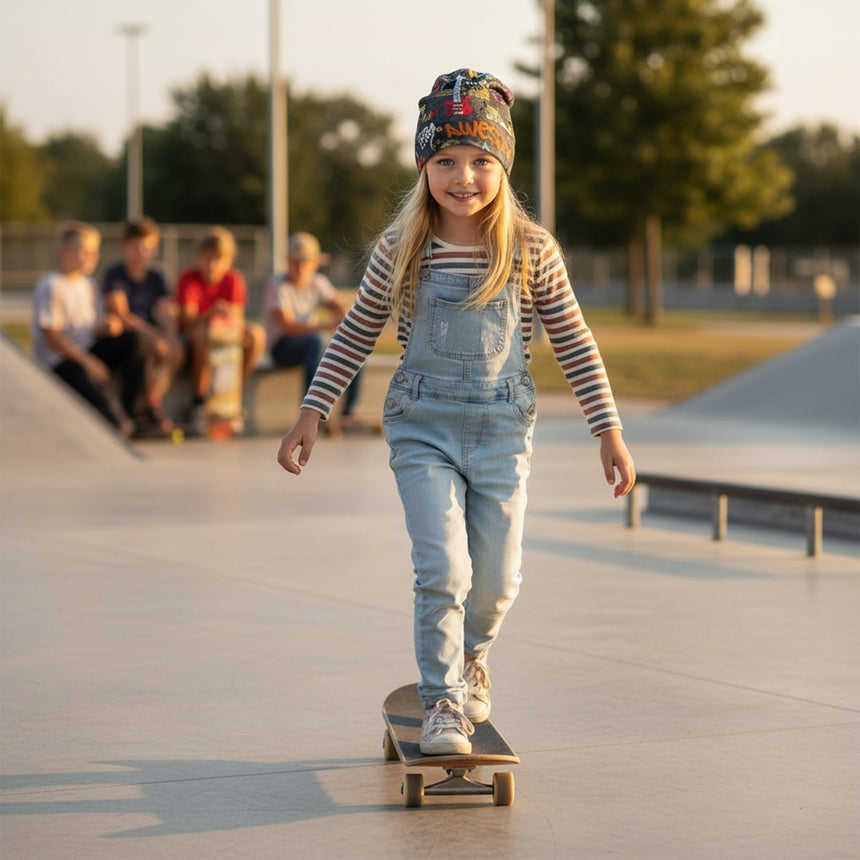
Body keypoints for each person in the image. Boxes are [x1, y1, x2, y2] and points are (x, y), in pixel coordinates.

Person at [276, 69, 635, 755]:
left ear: (502, 164)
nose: (462, 177)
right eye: (444, 161)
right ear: (423, 167)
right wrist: (311, 412)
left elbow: (575, 341)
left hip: (503, 431)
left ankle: (474, 657)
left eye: (479, 161)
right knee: (443, 568)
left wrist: (607, 429)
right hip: (423, 427)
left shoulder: (532, 251)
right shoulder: (400, 248)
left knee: (496, 581)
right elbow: (353, 331)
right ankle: (442, 702)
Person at [31, 221, 146, 436]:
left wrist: (105, 327)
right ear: (65, 253)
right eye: (87, 253)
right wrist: (89, 362)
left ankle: (132, 411)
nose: (94, 258)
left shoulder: (88, 284)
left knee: (132, 340)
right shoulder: (51, 285)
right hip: (60, 360)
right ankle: (117, 422)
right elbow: (52, 336)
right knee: (106, 411)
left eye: (95, 253)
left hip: (86, 348)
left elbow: (88, 328)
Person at [264, 232, 367, 432]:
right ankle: (311, 412)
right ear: (288, 262)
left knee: (355, 346)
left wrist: (343, 314)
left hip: (312, 344)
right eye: (296, 263)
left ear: (315, 264)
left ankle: (349, 411)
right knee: (317, 341)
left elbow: (339, 306)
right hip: (283, 345)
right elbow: (288, 326)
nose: (301, 269)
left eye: (306, 263)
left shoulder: (318, 282)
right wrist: (328, 324)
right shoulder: (278, 285)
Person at [176, 226, 266, 434]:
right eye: (207, 258)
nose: (213, 265)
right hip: (197, 337)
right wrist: (211, 315)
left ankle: (232, 397)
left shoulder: (233, 279)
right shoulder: (188, 279)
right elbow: (188, 321)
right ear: (198, 257)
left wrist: (227, 317)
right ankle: (198, 401)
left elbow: (237, 319)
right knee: (202, 335)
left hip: (225, 337)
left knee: (256, 334)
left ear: (229, 260)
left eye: (219, 260)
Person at [102, 217, 184, 434]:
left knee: (176, 350)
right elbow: (122, 314)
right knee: (150, 346)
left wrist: (170, 333)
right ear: (125, 246)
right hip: (128, 334)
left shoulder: (157, 275)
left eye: (148, 248)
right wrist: (156, 335)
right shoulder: (115, 274)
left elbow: (166, 309)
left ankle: (153, 399)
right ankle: (145, 406)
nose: (142, 253)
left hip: (150, 330)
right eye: (137, 247)